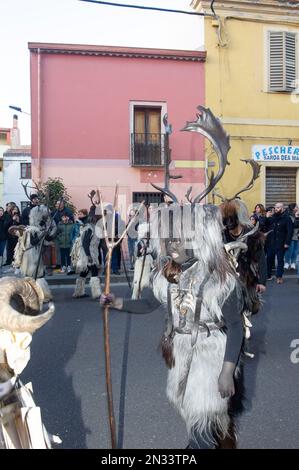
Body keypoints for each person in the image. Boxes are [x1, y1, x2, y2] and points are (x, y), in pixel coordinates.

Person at [101, 203, 245, 449]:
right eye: (168, 240)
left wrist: (226, 372)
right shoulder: (166, 274)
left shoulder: (220, 279)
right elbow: (148, 303)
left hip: (211, 358)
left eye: (180, 239)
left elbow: (235, 326)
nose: (172, 246)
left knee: (202, 430)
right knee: (196, 420)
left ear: (198, 238)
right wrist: (117, 303)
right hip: (181, 356)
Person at [71, 206, 101, 299]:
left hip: (90, 253)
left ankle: (78, 292)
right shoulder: (89, 228)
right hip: (88, 254)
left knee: (84, 273)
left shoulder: (92, 228)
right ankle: (96, 293)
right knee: (94, 272)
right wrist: (89, 256)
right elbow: (85, 243)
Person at [265, 202, 293, 284]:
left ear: (282, 208)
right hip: (271, 243)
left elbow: (290, 231)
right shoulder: (272, 217)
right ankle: (268, 275)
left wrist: (287, 242)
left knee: (280, 260)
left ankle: (279, 277)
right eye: (275, 207)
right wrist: (266, 218)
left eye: (278, 207)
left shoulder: (287, 218)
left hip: (281, 243)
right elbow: (264, 226)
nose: (275, 208)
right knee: (269, 259)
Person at [284, 203, 299, 270]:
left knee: (295, 251)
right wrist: (296, 217)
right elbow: (294, 225)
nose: (297, 208)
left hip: (297, 235)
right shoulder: (288, 216)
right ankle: (287, 262)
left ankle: (293, 263)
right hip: (291, 236)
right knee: (289, 250)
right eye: (296, 207)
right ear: (293, 208)